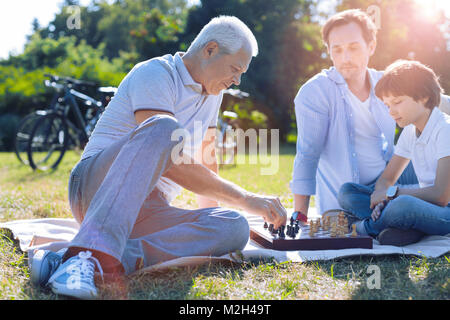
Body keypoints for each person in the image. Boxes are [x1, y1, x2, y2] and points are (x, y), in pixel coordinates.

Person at [30, 16, 287, 299]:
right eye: (235, 69)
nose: (237, 80)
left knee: (235, 226)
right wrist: (246, 197)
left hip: (148, 208)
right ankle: (88, 255)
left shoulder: (213, 94)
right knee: (165, 129)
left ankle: (85, 258)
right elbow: (169, 154)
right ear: (210, 49)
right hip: (94, 188)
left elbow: (206, 160)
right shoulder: (155, 73)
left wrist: (208, 219)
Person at [290, 9, 419, 223]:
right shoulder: (315, 91)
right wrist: (300, 214)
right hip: (349, 197)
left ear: (371, 46)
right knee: (351, 195)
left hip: (385, 183)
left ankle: (393, 215)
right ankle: (398, 217)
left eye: (353, 48)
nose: (345, 58)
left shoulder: (385, 83)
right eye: (337, 50)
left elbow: (428, 101)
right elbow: (307, 154)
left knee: (430, 161)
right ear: (329, 51)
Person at [338, 60, 450, 246]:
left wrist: (392, 194)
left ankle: (367, 228)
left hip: (445, 211)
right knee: (348, 192)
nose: (391, 112)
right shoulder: (409, 132)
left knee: (402, 205)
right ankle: (403, 229)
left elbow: (441, 195)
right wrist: (382, 197)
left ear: (423, 97)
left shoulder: (445, 129)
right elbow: (386, 179)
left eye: (397, 102)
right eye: (387, 105)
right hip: (423, 205)